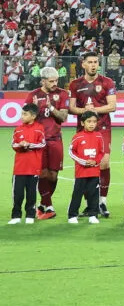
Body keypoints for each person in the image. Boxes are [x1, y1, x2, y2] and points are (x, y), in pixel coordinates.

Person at [68, 53, 117, 217]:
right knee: (85, 165)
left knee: (104, 163)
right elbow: (71, 108)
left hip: (102, 128)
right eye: (90, 62)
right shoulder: (75, 84)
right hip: (83, 129)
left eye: (96, 62)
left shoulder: (107, 82)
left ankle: (102, 202)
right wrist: (85, 111)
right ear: (83, 64)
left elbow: (112, 106)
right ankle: (90, 205)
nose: (93, 65)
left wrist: (93, 110)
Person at [26, 67, 68, 220]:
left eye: (56, 80)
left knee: (53, 176)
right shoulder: (33, 95)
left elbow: (63, 117)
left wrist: (51, 107)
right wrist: (35, 109)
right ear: (42, 81)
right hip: (38, 140)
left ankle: (42, 205)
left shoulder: (62, 94)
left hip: (55, 139)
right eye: (51, 81)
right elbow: (26, 118)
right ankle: (49, 206)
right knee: (42, 173)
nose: (55, 83)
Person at [67, 111, 106, 224]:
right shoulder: (78, 137)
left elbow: (101, 152)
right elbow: (71, 152)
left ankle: (93, 215)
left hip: (94, 171)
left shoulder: (98, 136)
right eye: (89, 121)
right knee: (77, 193)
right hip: (81, 172)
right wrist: (83, 161)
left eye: (94, 121)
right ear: (82, 123)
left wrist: (95, 161)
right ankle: (72, 215)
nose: (92, 124)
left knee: (94, 194)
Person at [10, 103, 45, 224]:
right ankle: (16, 216)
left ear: (33, 116)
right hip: (19, 168)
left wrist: (29, 144)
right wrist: (20, 145)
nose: (22, 116)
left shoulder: (39, 128)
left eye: (25, 114)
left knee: (31, 193)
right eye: (22, 114)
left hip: (33, 167)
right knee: (17, 193)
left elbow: (42, 144)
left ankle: (30, 214)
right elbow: (13, 144)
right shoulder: (18, 129)